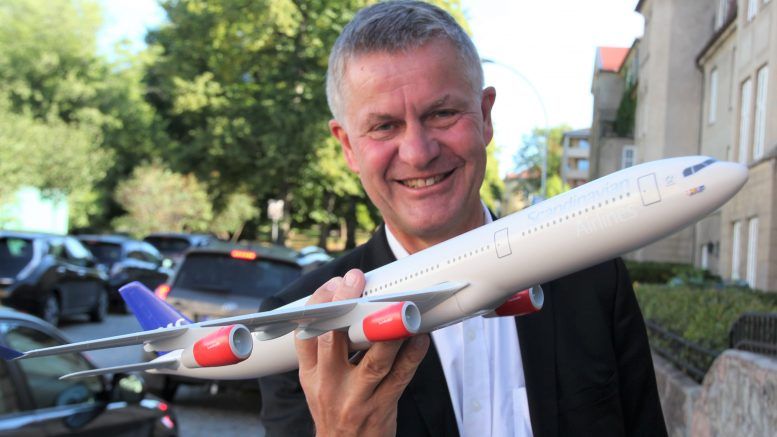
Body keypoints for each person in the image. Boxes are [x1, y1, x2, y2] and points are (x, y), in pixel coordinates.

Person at [259, 1, 668, 436]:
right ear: (346, 146)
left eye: (442, 114)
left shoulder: (591, 278)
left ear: (486, 116)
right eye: (383, 126)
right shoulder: (304, 328)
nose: (418, 152)